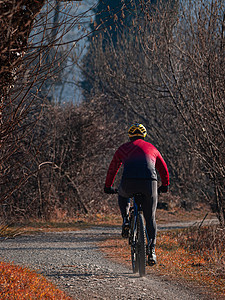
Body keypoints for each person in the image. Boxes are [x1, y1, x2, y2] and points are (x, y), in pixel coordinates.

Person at [104, 123, 169, 265]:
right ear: (144, 135)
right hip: (149, 183)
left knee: (122, 193)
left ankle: (126, 220)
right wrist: (165, 185)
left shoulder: (123, 148)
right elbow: (163, 168)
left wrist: (108, 186)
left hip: (129, 183)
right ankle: (151, 251)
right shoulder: (152, 148)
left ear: (130, 136)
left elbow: (113, 169)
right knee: (150, 217)